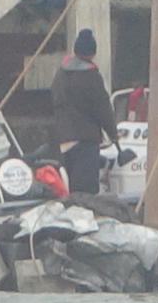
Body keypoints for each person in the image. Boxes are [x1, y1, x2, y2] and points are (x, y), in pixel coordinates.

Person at [49, 29, 118, 195]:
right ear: (92, 53)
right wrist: (113, 133)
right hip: (85, 140)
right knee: (85, 192)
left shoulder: (60, 74)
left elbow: (55, 102)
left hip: (63, 139)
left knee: (67, 188)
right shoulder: (90, 76)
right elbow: (102, 108)